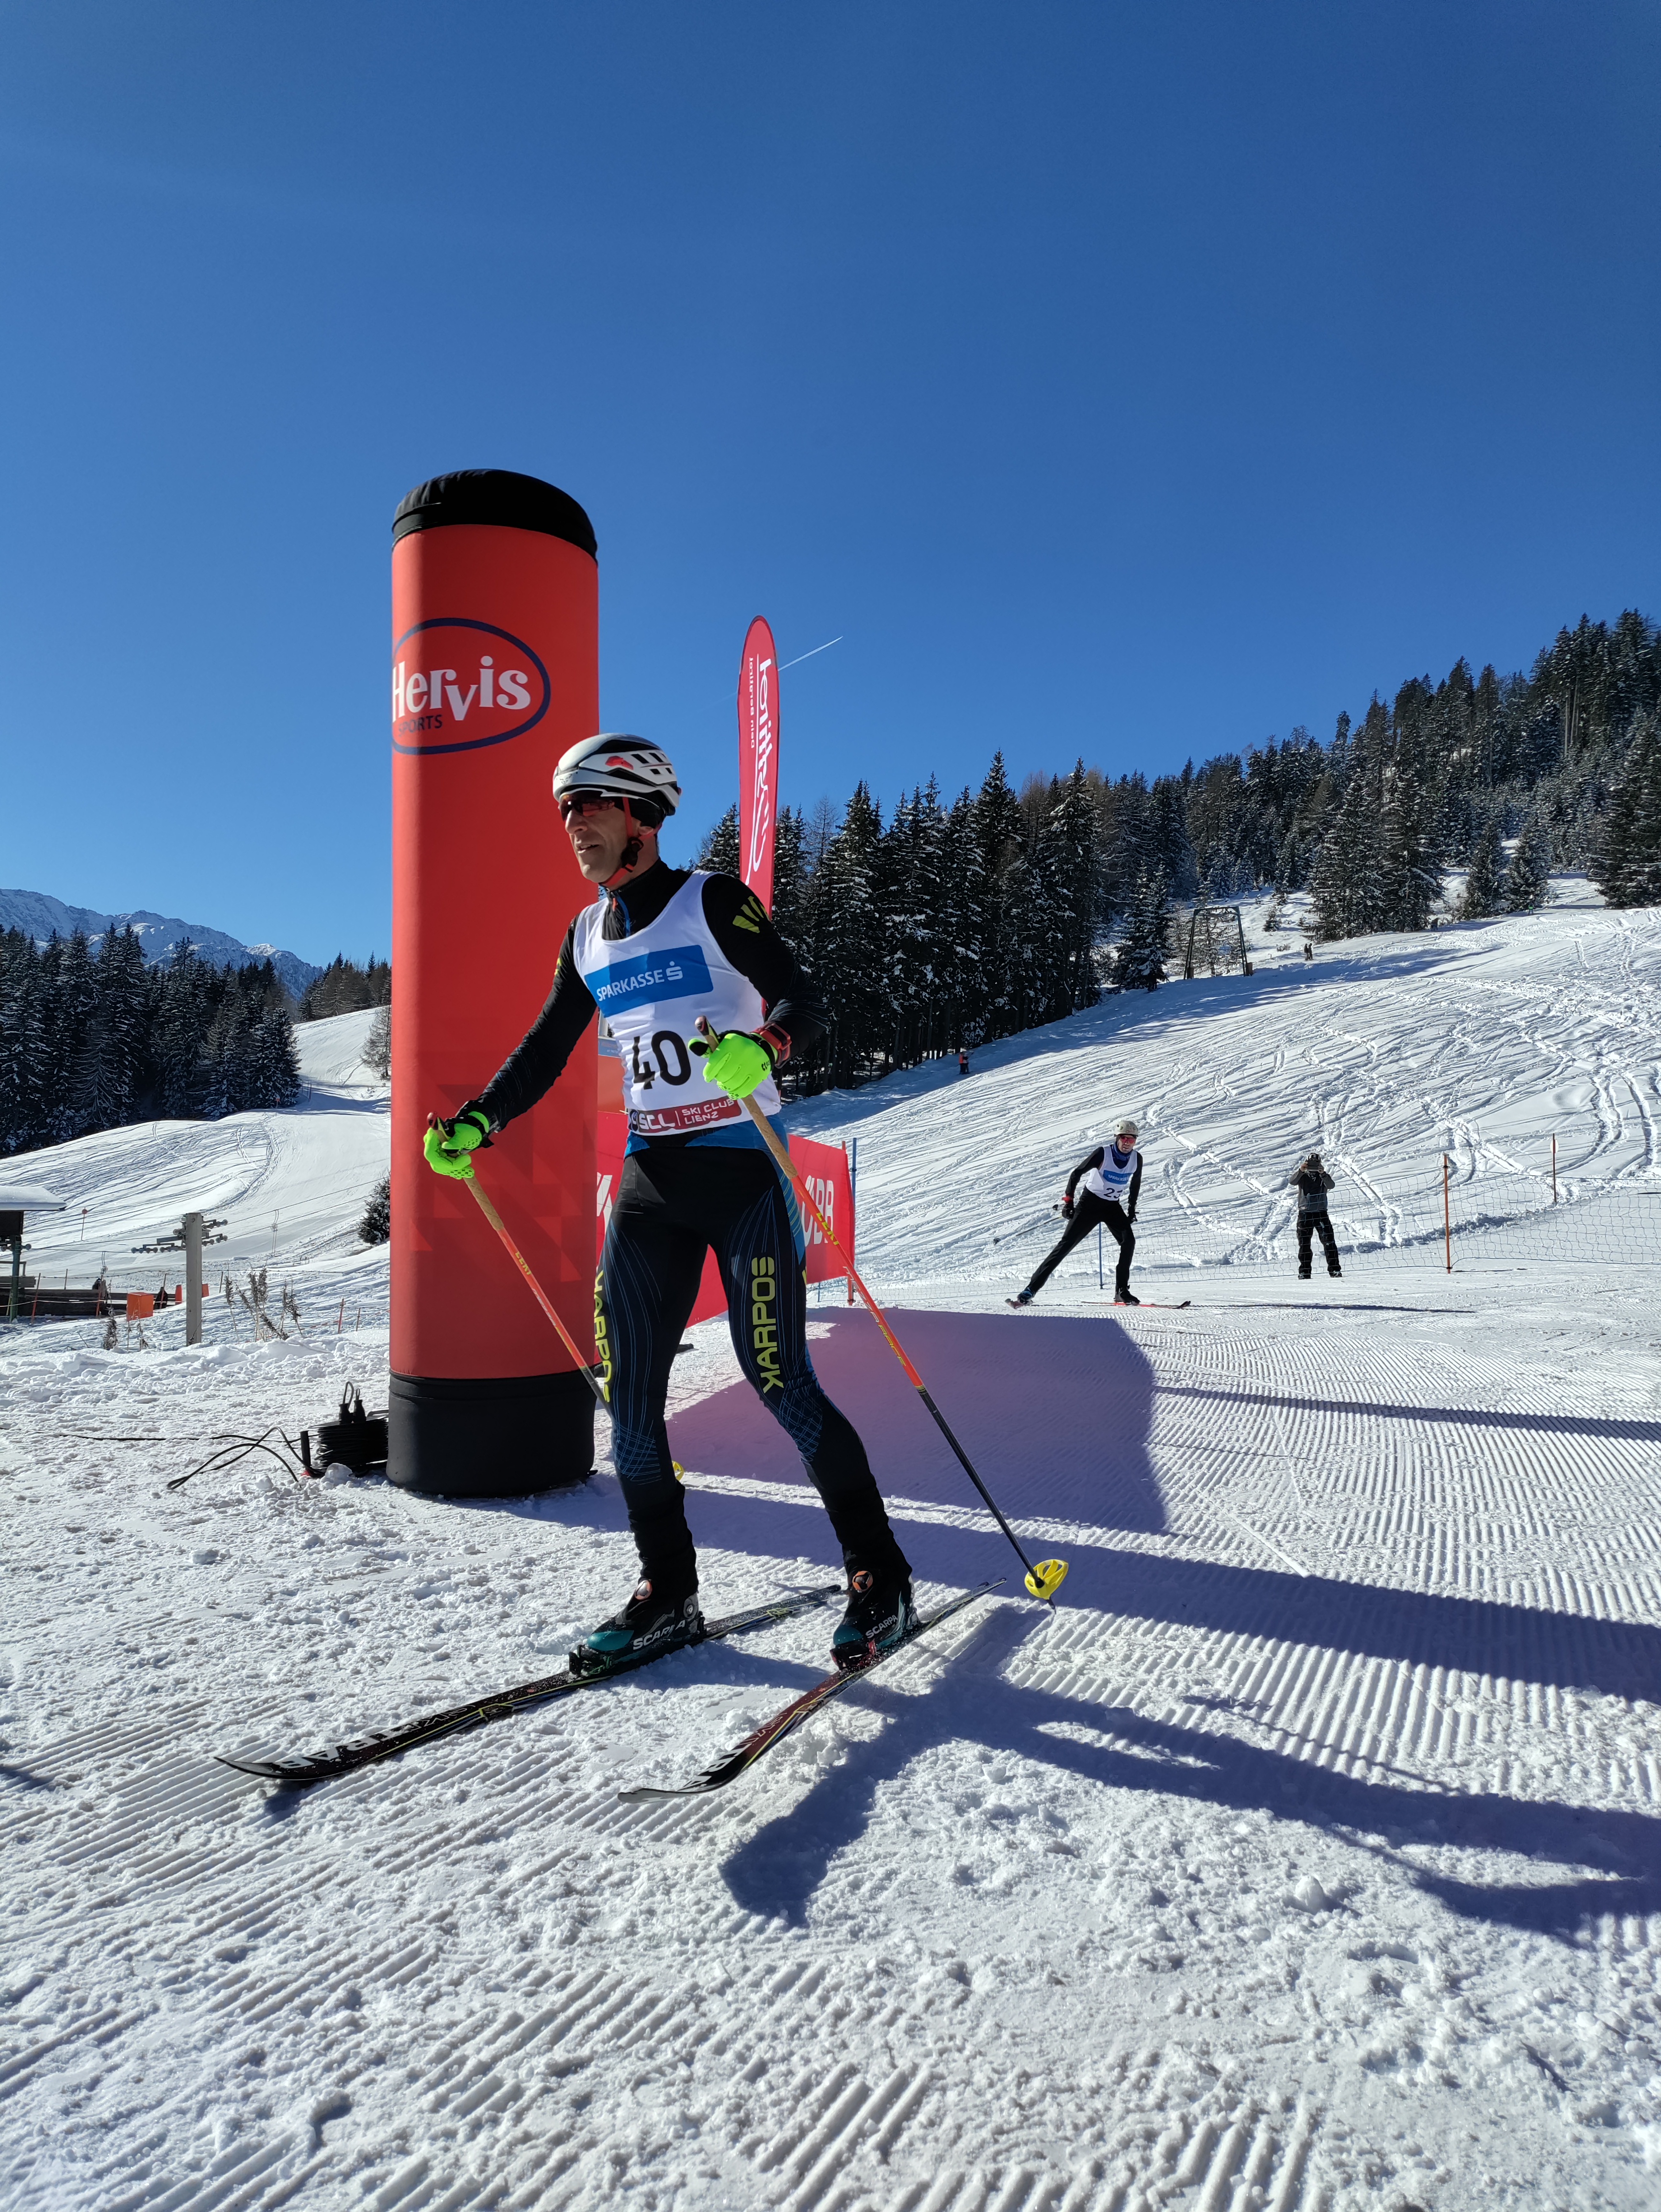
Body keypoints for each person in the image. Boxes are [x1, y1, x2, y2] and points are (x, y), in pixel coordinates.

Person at [421, 734, 915, 1673]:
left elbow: (803, 996)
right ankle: (667, 1590)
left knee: (781, 1380)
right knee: (631, 1401)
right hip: (652, 1181)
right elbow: (547, 1047)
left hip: (741, 1169)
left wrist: (765, 1044)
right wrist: (479, 1119)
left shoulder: (710, 901)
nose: (572, 824)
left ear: (641, 812)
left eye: (588, 804)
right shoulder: (584, 935)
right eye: (564, 809)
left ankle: (879, 1572)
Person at [1008, 1119, 1143, 1308]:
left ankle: (1121, 1291)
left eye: (1132, 1139)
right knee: (1065, 1246)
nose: (1128, 1143)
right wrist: (1069, 1202)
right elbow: (1076, 1174)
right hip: (1090, 1204)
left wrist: (1131, 1209)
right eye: (1124, 1138)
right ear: (1117, 1138)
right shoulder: (1103, 1153)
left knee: (1129, 1242)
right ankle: (1030, 1290)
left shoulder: (1137, 1159)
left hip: (1112, 1207)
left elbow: (1136, 1184)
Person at [1290, 1151, 1341, 1279]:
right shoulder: (1302, 1176)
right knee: (1304, 1244)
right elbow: (1292, 1182)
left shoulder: (1323, 1176)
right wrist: (1301, 1170)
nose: (1313, 1166)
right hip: (1305, 1213)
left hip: (1321, 1213)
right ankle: (1304, 1272)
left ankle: (1335, 1270)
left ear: (1320, 1163)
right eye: (1311, 1163)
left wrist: (1323, 1174)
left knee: (1329, 1242)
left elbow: (1331, 1185)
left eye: (1316, 1163)